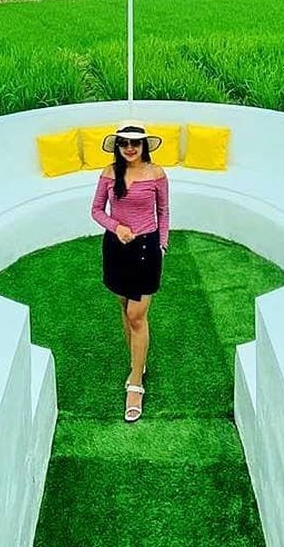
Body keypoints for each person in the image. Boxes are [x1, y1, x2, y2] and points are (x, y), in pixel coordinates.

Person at [90, 120, 169, 423]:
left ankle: (135, 381)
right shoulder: (109, 174)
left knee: (137, 315)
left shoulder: (157, 174)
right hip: (116, 248)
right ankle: (139, 360)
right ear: (118, 146)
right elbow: (96, 210)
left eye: (135, 143)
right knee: (125, 308)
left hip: (147, 248)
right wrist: (117, 227)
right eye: (124, 143)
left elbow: (163, 212)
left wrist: (162, 243)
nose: (130, 148)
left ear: (144, 145)